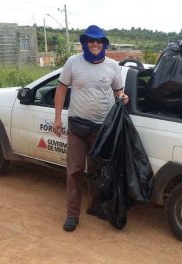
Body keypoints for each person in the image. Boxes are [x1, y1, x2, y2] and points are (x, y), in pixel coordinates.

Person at [52, 25, 129, 232]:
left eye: (99, 41)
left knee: (97, 171)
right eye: (91, 40)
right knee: (75, 171)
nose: (95, 44)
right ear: (85, 42)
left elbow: (118, 92)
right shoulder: (73, 62)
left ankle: (94, 206)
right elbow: (60, 90)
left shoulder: (113, 66)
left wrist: (122, 97)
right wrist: (57, 118)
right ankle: (72, 214)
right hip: (77, 126)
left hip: (101, 130)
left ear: (104, 44)